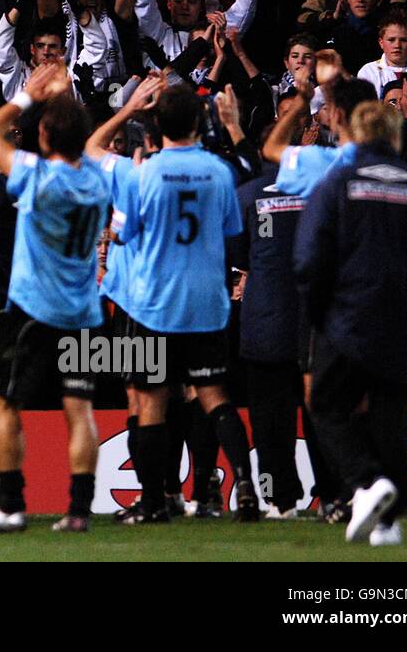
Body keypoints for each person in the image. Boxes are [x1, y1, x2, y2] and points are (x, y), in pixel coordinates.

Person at [295, 101, 407, 545]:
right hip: (405, 321)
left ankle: (367, 482)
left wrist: (318, 314)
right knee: (392, 416)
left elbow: (310, 256)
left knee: (328, 406)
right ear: (396, 135)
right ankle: (387, 523)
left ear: (354, 134)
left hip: (348, 317)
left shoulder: (339, 183)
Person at [0, 62, 111, 533]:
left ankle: (10, 504)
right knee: (79, 410)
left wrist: (28, 96)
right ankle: (78, 511)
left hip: (34, 310)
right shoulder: (97, 180)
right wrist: (64, 97)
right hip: (85, 311)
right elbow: (84, 143)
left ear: (46, 136)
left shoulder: (39, 177)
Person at [115, 83, 261, 524]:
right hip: (207, 303)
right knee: (215, 397)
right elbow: (231, 227)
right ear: (199, 123)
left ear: (156, 126)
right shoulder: (218, 171)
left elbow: (122, 233)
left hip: (157, 303)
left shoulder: (145, 173)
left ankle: (157, 501)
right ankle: (246, 490)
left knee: (153, 401)